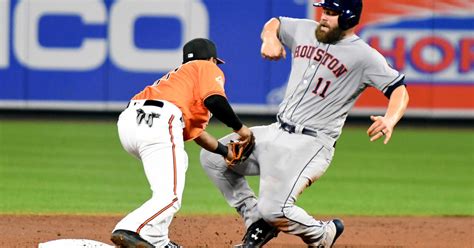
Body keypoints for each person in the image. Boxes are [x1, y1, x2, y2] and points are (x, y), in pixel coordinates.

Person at [200, 0, 409, 247]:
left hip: (311, 143)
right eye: (324, 10)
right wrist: (270, 39)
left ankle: (322, 235)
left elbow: (399, 89)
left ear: (349, 18)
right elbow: (274, 23)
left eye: (331, 13)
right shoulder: (305, 29)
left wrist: (390, 118)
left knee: (274, 209)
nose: (323, 17)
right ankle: (254, 220)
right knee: (213, 158)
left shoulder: (364, 56)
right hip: (276, 130)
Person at [110, 38, 253, 248]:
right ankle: (129, 228)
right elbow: (215, 100)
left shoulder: (179, 81)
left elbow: (197, 134)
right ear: (212, 59)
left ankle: (158, 240)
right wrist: (240, 129)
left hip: (131, 122)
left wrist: (225, 152)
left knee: (177, 167)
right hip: (159, 120)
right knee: (170, 197)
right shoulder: (205, 66)